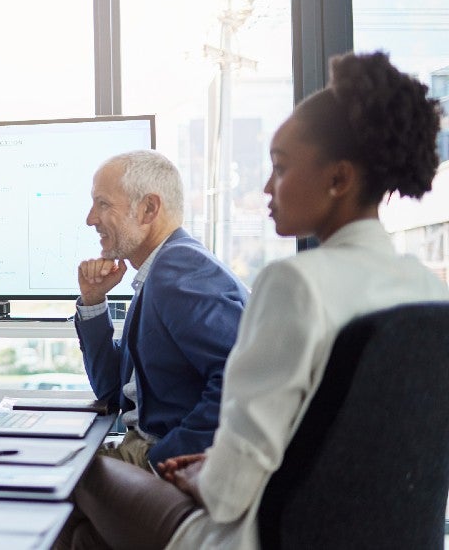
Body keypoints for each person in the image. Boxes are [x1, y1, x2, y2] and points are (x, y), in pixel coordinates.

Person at [66, 50, 449, 550]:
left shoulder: (295, 284)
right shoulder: (428, 291)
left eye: (281, 168)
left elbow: (228, 492)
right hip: (359, 533)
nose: (267, 187)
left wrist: (195, 471)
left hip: (253, 535)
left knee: (73, 471)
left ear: (338, 179)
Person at [74, 150, 247, 471]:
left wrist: (163, 461)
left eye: (103, 204)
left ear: (149, 209)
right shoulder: (159, 272)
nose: (91, 219)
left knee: (41, 481)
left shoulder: (179, 268)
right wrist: (94, 301)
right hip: (141, 445)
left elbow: (241, 379)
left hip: (161, 454)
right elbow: (111, 390)